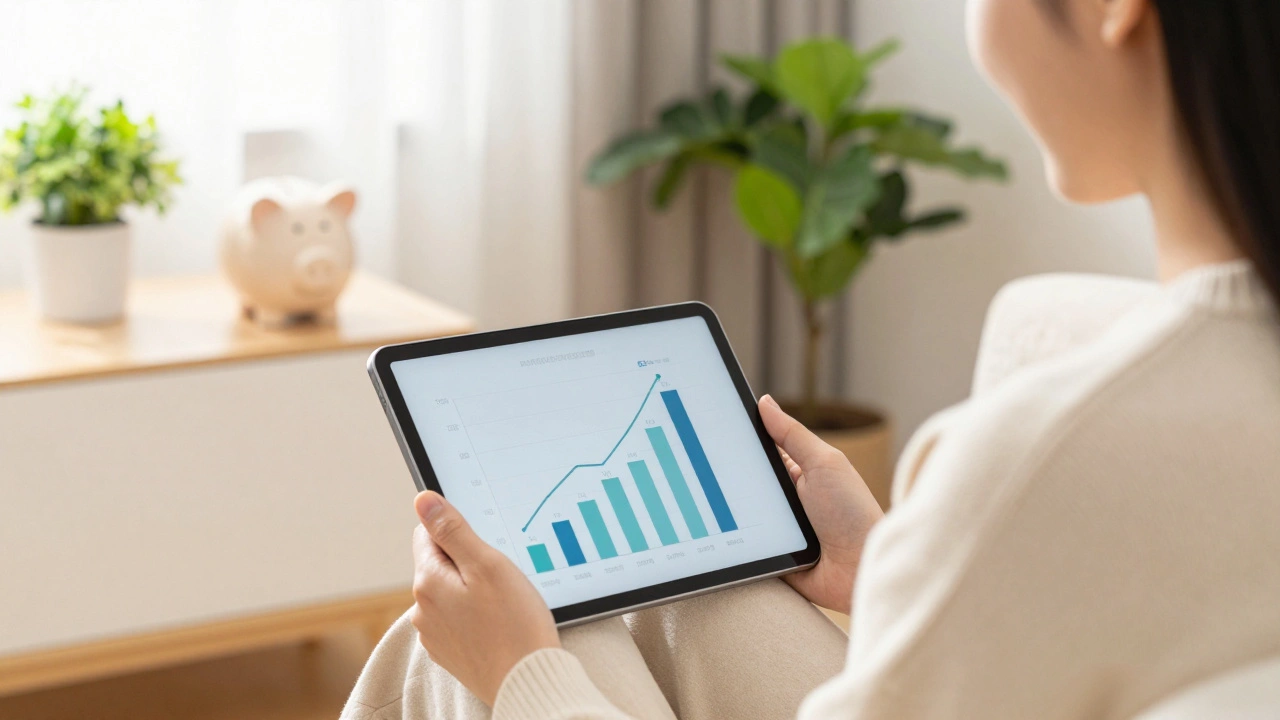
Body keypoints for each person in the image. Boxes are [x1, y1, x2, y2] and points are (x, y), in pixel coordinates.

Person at [342, 0, 1280, 717]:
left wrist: (522, 677)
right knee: (699, 598)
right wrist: (888, 569)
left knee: (507, 635)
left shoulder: (1046, 455)